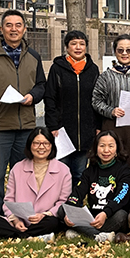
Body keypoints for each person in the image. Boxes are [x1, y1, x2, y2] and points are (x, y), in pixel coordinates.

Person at [0, 10, 46, 216]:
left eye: (18, 25)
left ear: (24, 29)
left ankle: (20, 214)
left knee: (23, 175)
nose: (14, 29)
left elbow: (41, 85)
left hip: (26, 126)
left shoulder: (33, 56)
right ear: (1, 29)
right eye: (9, 25)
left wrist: (32, 96)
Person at [0, 127, 71, 241]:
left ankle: (12, 235)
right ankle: (33, 236)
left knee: (53, 222)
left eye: (46, 143)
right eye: (36, 143)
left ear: (52, 146)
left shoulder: (63, 170)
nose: (41, 147)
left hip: (45, 219)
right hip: (21, 219)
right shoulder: (18, 168)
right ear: (30, 145)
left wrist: (44, 215)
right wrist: (16, 220)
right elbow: (9, 200)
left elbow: (63, 201)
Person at [45, 30, 100, 185]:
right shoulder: (57, 69)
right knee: (60, 172)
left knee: (79, 173)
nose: (78, 47)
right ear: (67, 47)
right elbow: (50, 98)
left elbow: (97, 99)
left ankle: (76, 199)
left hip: (86, 132)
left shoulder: (93, 69)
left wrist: (97, 126)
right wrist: (53, 125)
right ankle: (60, 199)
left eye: (82, 44)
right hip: (62, 131)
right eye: (73, 44)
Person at [92, 34, 130, 184]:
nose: (124, 53)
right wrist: (110, 110)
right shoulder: (106, 76)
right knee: (110, 167)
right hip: (112, 127)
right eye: (120, 50)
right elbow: (96, 100)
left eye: (129, 50)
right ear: (115, 52)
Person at [61, 130, 130, 243]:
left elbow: (121, 197)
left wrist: (105, 213)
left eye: (111, 146)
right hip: (92, 216)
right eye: (102, 146)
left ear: (117, 149)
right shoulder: (90, 170)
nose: (106, 150)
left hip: (111, 216)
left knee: (121, 216)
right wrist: (70, 211)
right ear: (96, 148)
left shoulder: (124, 170)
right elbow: (78, 192)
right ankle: (99, 235)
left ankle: (82, 231)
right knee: (62, 210)